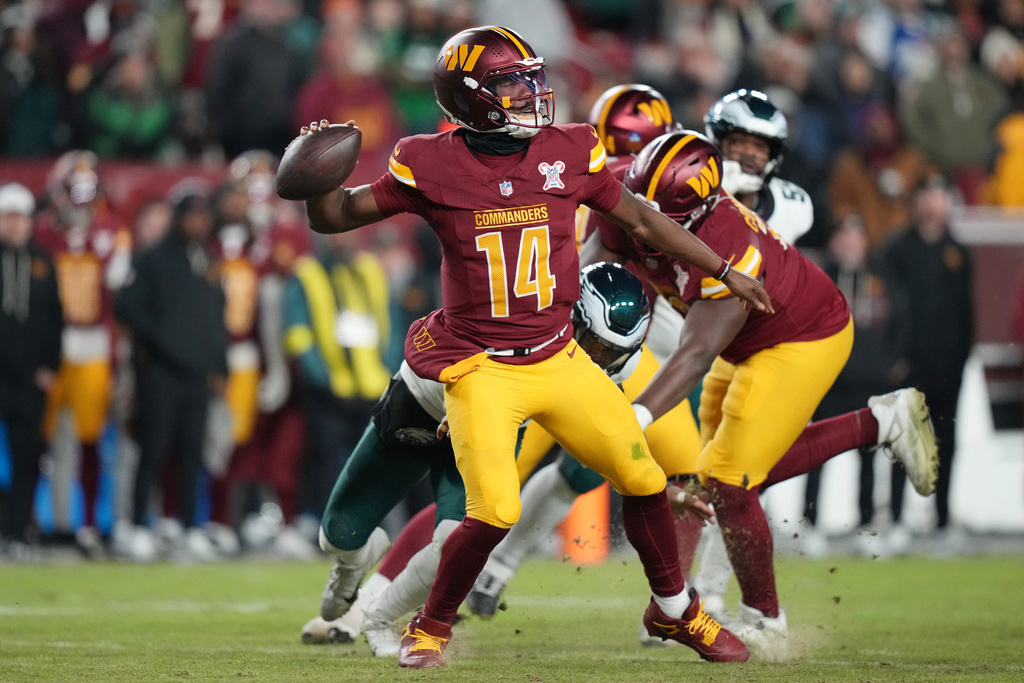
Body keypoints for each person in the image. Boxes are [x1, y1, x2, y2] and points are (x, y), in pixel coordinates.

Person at [298, 25, 772, 668]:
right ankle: (431, 627)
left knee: (643, 475)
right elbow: (338, 215)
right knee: (493, 508)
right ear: (471, 98)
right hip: (481, 366)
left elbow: (638, 217)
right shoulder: (428, 161)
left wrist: (723, 268)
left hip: (559, 354)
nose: (530, 91)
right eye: (510, 81)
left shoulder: (569, 148)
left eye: (529, 76)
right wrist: (315, 177)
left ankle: (674, 611)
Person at [582, 129, 937, 652]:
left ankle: (765, 618)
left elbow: (694, 354)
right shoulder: (623, 188)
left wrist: (633, 418)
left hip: (802, 336)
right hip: (743, 344)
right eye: (642, 209)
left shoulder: (732, 249)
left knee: (728, 480)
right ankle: (880, 423)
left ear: (700, 214)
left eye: (665, 220)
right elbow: (595, 261)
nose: (648, 226)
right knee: (712, 476)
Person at [113, 185, 229, 561]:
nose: (198, 222)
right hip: (160, 373)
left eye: (202, 216)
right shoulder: (152, 259)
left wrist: (219, 363)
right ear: (178, 218)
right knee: (153, 450)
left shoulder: (208, 260)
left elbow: (216, 318)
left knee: (191, 454)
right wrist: (162, 341)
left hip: (197, 375)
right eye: (191, 215)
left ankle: (188, 526)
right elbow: (126, 305)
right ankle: (134, 526)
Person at [33, 150, 133, 557]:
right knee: (41, 440)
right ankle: (42, 523)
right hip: (51, 347)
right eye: (72, 193)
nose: (79, 202)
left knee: (91, 440)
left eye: (87, 193)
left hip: (94, 345)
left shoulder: (112, 234)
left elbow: (117, 284)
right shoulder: (43, 234)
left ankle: (89, 524)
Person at [877, 175, 973, 552]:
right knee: (905, 442)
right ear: (917, 203)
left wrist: (964, 357)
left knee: (947, 442)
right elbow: (888, 309)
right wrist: (893, 358)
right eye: (927, 195)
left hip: (949, 366)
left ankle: (943, 519)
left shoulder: (958, 252)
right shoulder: (897, 250)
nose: (933, 204)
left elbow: (967, 312)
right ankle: (897, 520)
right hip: (909, 367)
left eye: (940, 196)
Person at [283, 230, 392, 524]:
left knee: (371, 461)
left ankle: (366, 523)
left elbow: (390, 322)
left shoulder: (370, 270)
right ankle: (319, 521)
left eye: (347, 232)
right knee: (323, 457)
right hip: (329, 386)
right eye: (334, 234)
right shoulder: (306, 274)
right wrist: (319, 375)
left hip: (372, 385)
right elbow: (297, 332)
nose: (341, 239)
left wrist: (388, 369)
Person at [0, 183, 62, 559]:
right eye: (9, 217)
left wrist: (50, 365)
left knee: (27, 459)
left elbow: (55, 319)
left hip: (30, 379)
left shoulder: (43, 262)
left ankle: (18, 533)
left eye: (21, 217)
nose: (15, 225)